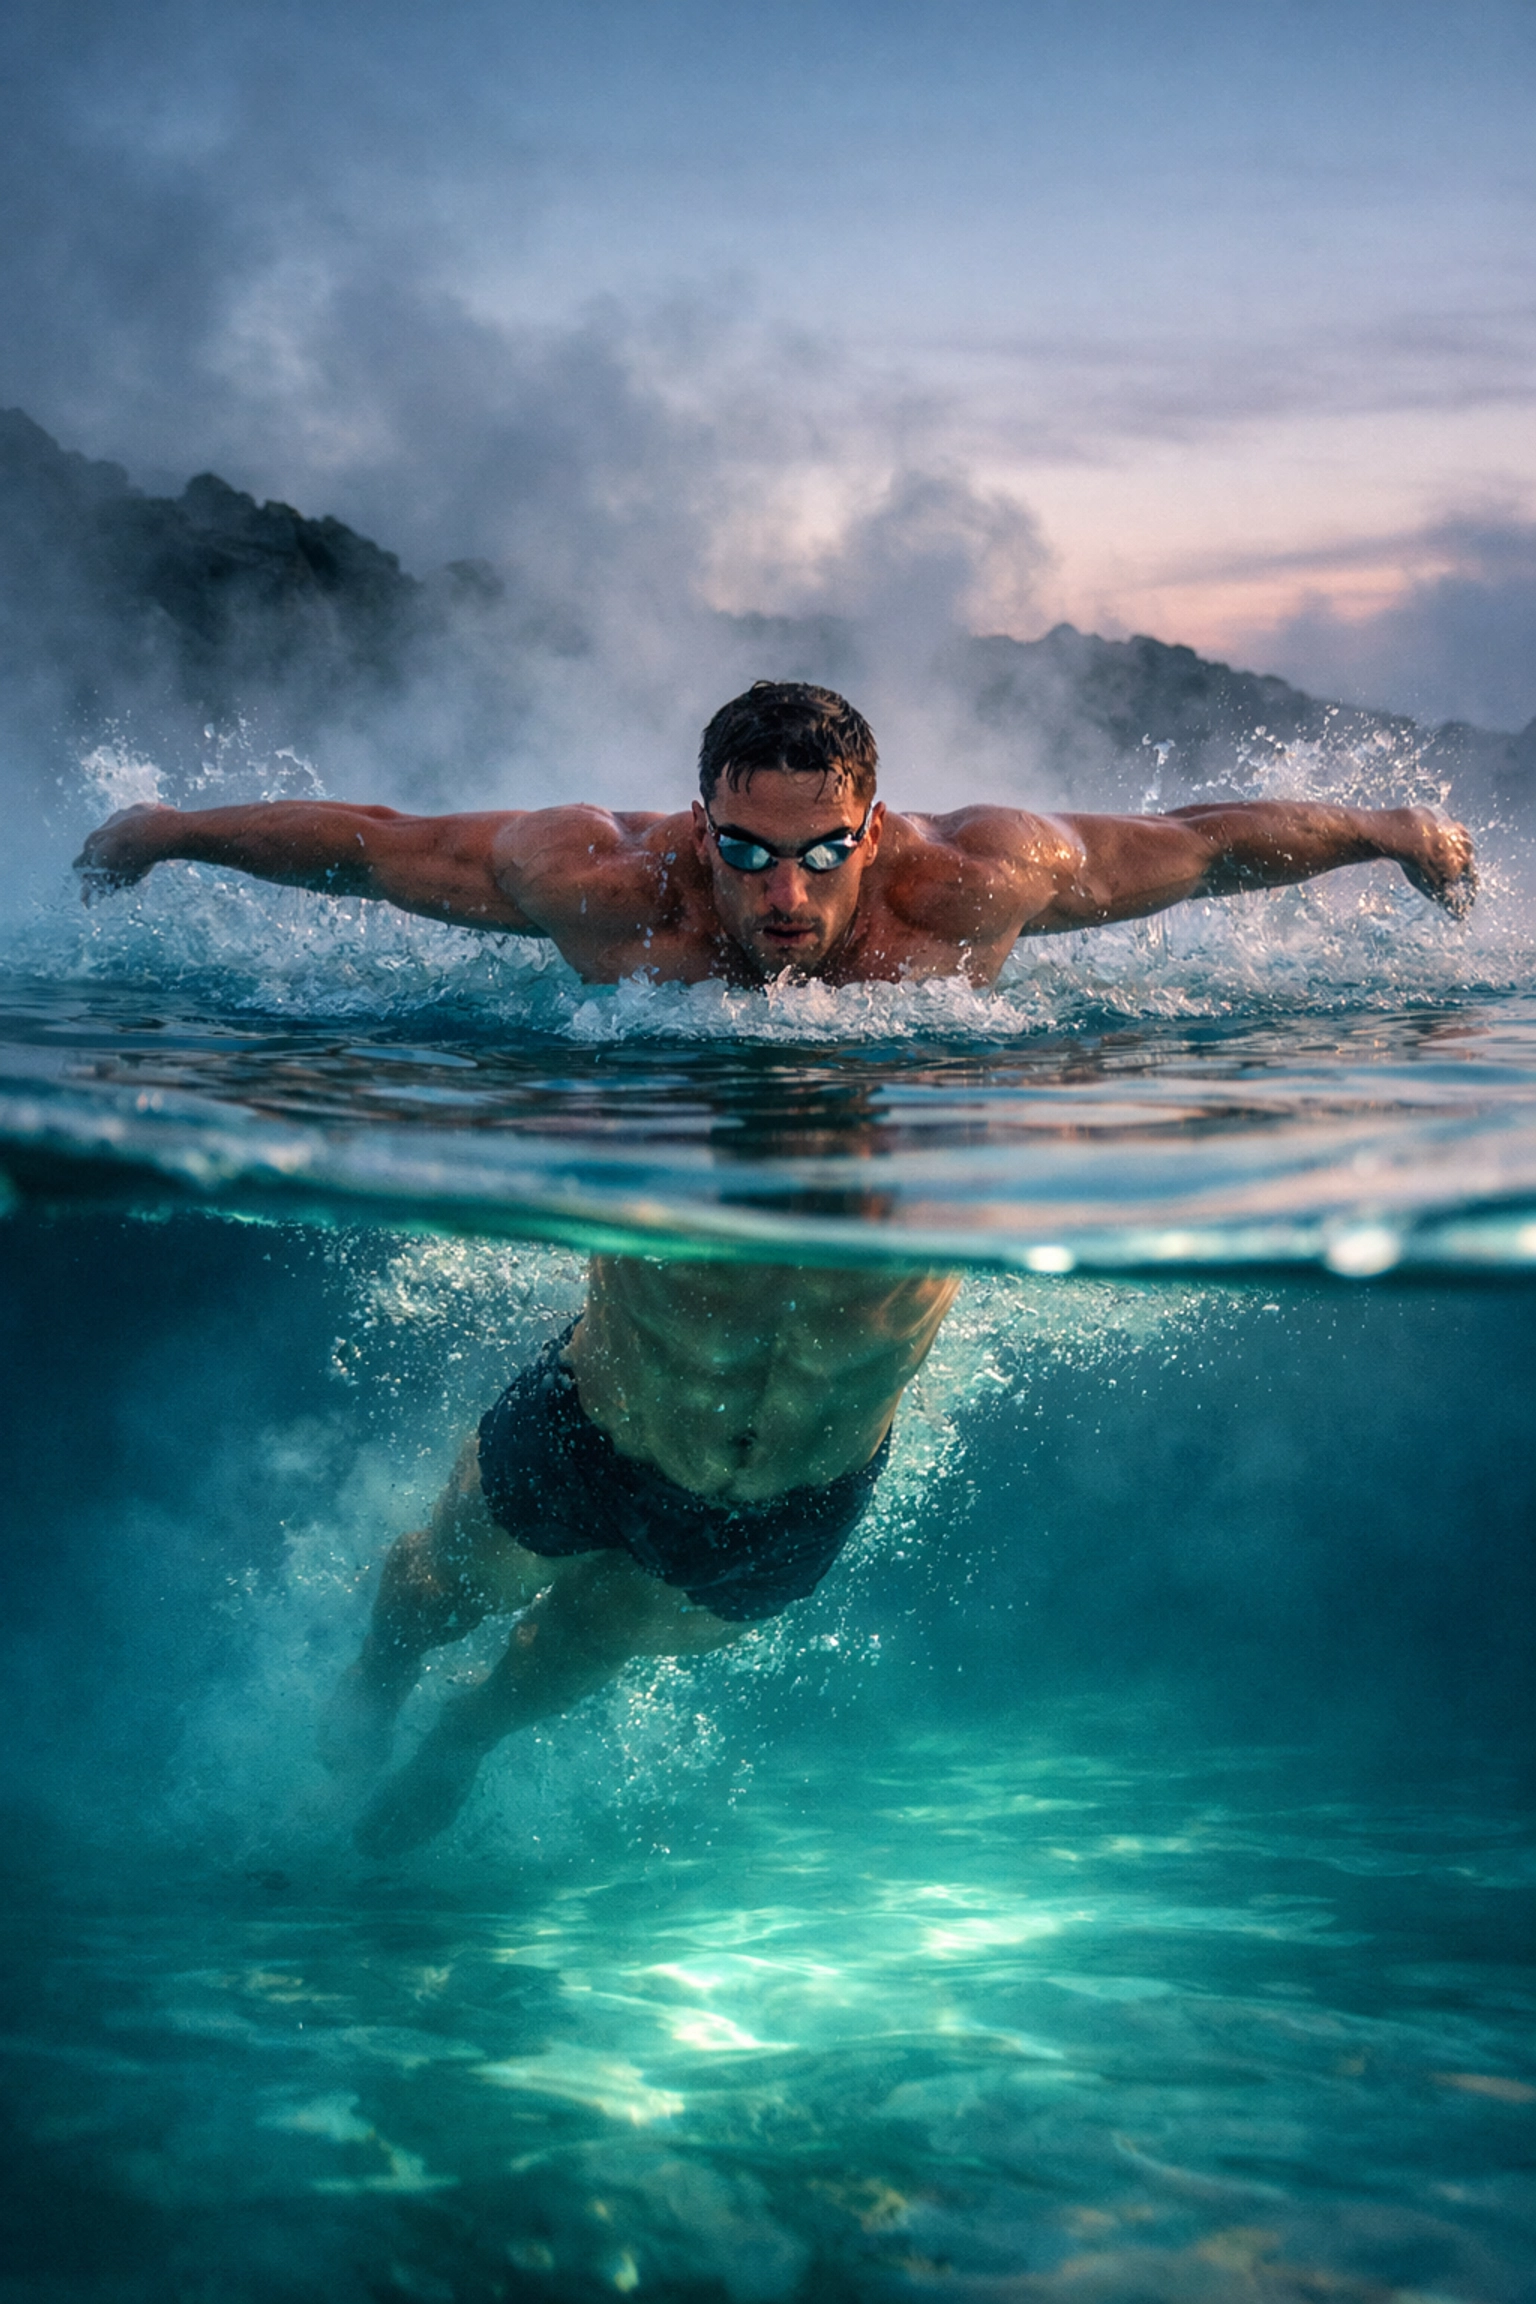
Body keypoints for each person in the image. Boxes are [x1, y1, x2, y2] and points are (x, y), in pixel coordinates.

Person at [75, 681, 1478, 1852]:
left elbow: (1199, 844)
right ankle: (366, 1707)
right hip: (600, 1418)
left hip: (795, 1496)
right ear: (703, 828)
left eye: (822, 852)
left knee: (549, 1669)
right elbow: (377, 846)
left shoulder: (973, 892)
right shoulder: (612, 894)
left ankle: (455, 1750)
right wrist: (173, 832)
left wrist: (1381, 829)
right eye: (746, 853)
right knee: (429, 1594)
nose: (785, 892)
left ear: (876, 831)